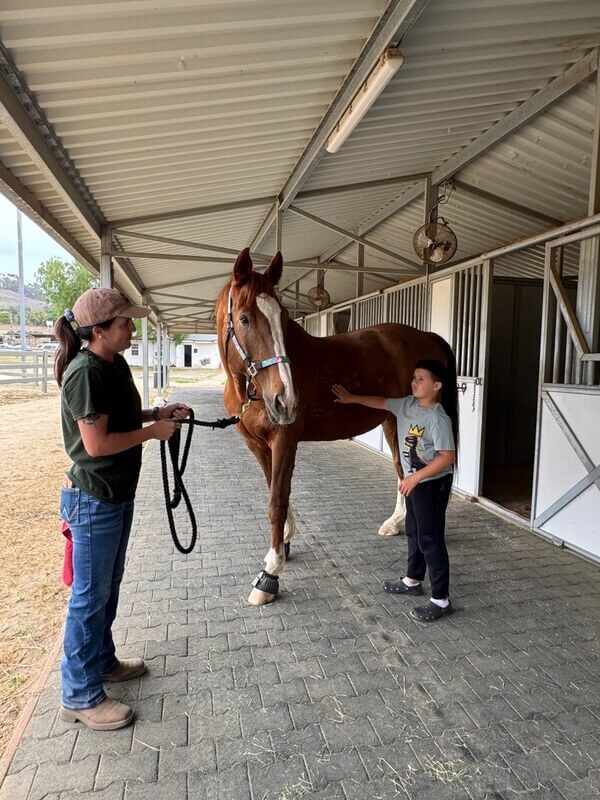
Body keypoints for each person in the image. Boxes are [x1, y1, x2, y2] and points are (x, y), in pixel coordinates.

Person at [54, 287, 190, 730]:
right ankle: (79, 694)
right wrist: (154, 433)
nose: (132, 328)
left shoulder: (113, 364)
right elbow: (95, 444)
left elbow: (119, 418)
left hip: (114, 496)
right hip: (94, 498)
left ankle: (102, 661)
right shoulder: (85, 373)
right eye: (125, 322)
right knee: (89, 597)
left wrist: (157, 412)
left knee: (107, 588)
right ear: (100, 331)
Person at [332, 359, 458, 623]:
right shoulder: (407, 405)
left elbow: (447, 457)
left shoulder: (438, 417)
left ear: (436, 386)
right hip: (414, 481)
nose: (414, 382)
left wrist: (415, 479)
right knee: (413, 530)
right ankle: (413, 580)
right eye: (414, 377)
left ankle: (441, 599)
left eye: (421, 379)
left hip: (431, 482)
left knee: (430, 537)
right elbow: (380, 402)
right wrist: (352, 398)